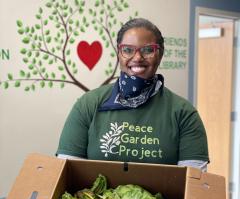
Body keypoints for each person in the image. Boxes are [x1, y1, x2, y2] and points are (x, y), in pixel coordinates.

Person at [56, 18, 209, 171]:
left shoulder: (184, 113)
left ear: (160, 54)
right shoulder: (88, 104)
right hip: (96, 196)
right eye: (128, 50)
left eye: (148, 50)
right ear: (119, 53)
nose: (137, 58)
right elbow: (67, 173)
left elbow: (193, 186)